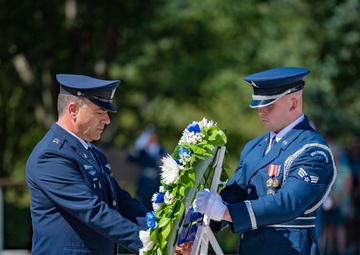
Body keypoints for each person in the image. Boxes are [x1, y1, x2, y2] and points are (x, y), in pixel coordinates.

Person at [193, 67, 337, 255]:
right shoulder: (254, 147)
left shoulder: (313, 151)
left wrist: (226, 212)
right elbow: (237, 190)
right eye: (259, 105)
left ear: (293, 104)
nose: (261, 111)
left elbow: (287, 202)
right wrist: (209, 211)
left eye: (269, 105)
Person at [26, 74, 149, 255]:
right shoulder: (51, 155)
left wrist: (162, 229)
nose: (107, 120)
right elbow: (93, 212)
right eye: (100, 112)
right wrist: (150, 243)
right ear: (73, 110)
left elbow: (121, 201)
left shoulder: (92, 152)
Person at [320, 137, 353, 255]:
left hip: (341, 203)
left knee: (339, 227)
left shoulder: (345, 170)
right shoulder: (326, 170)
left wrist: (336, 199)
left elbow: (347, 187)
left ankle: (341, 251)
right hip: (328, 202)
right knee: (327, 227)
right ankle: (327, 250)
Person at [128, 125, 167, 210]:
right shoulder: (142, 151)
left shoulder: (162, 151)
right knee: (142, 208)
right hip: (144, 185)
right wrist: (138, 147)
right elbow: (130, 159)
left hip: (156, 184)